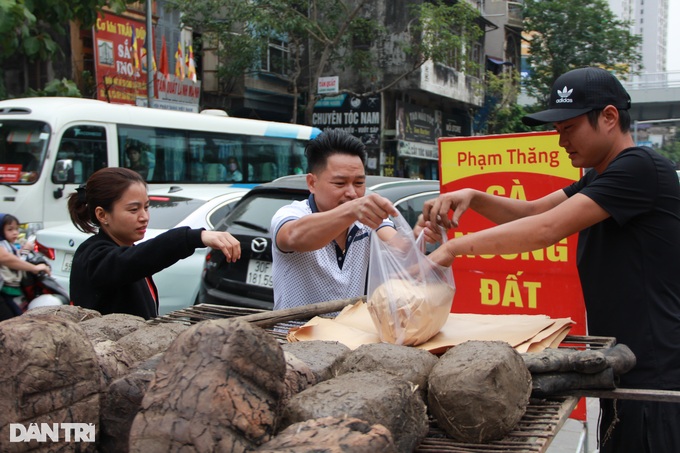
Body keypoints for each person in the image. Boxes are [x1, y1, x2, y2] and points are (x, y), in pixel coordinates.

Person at [420, 67, 680, 453]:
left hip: (655, 370)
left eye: (570, 129)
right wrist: (474, 194)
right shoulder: (599, 177)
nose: (562, 143)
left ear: (609, 117)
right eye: (558, 132)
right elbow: (531, 212)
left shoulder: (640, 168)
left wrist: (452, 248)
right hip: (625, 362)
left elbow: (546, 230)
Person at [270, 129, 438, 311]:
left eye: (359, 183)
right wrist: (352, 210)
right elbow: (294, 236)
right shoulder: (291, 214)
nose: (352, 193)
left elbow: (400, 250)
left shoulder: (366, 218)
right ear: (312, 183)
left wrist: (417, 236)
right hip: (294, 336)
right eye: (340, 184)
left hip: (347, 335)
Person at [67, 167, 241, 320]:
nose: (144, 217)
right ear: (102, 215)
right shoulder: (93, 255)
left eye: (147, 207)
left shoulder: (126, 247)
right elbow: (135, 260)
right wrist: (194, 237)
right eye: (133, 210)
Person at [0, 214, 51, 321]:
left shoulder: (9, 245)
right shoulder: (3, 245)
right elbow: (9, 260)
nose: (15, 232)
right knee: (13, 320)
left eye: (16, 229)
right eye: (10, 229)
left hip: (11, 290)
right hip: (6, 290)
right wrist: (34, 268)